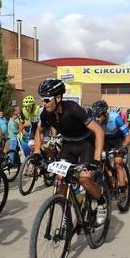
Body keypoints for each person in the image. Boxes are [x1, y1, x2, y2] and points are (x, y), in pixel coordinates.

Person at [32, 78, 108, 225]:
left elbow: (98, 131)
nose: (44, 103)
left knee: (84, 178)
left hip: (86, 143)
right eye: (41, 99)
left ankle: (101, 201)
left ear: (58, 98)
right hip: (68, 144)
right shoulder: (46, 114)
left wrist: (97, 160)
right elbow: (39, 132)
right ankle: (67, 217)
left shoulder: (73, 109)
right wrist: (36, 152)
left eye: (47, 100)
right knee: (61, 184)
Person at [91, 100, 130, 201]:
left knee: (118, 162)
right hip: (105, 139)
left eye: (99, 115)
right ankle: (109, 177)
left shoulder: (116, 118)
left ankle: (122, 190)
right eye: (95, 115)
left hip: (118, 139)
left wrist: (123, 146)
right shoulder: (94, 119)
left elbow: (128, 135)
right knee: (101, 161)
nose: (97, 118)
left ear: (105, 113)